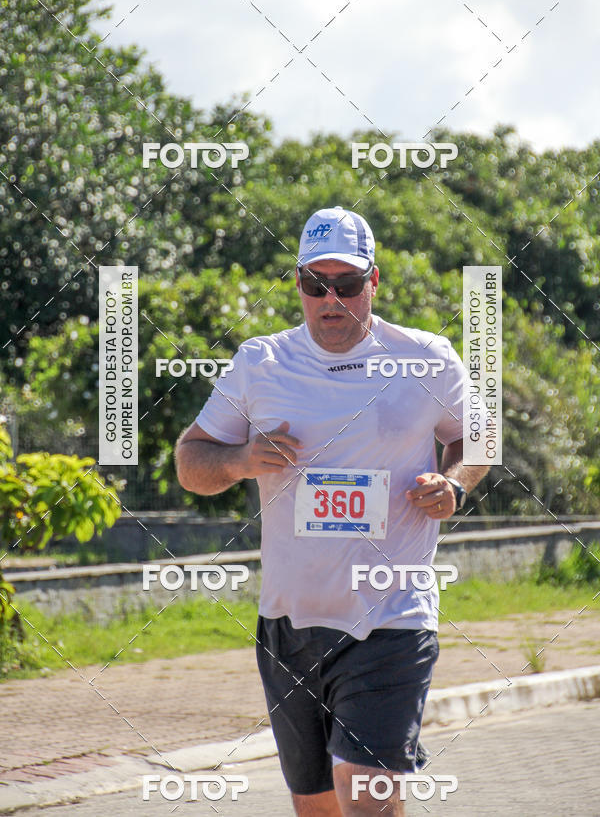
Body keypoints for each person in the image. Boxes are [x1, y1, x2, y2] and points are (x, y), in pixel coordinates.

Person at [176, 206, 489, 816]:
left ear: (374, 282)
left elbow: (478, 437)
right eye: (315, 283)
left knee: (366, 796)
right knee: (317, 808)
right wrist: (239, 459)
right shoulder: (261, 363)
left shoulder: (425, 358)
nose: (331, 299)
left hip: (390, 618)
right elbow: (191, 461)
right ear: (297, 283)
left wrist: (453, 484)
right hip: (289, 624)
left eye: (347, 284)